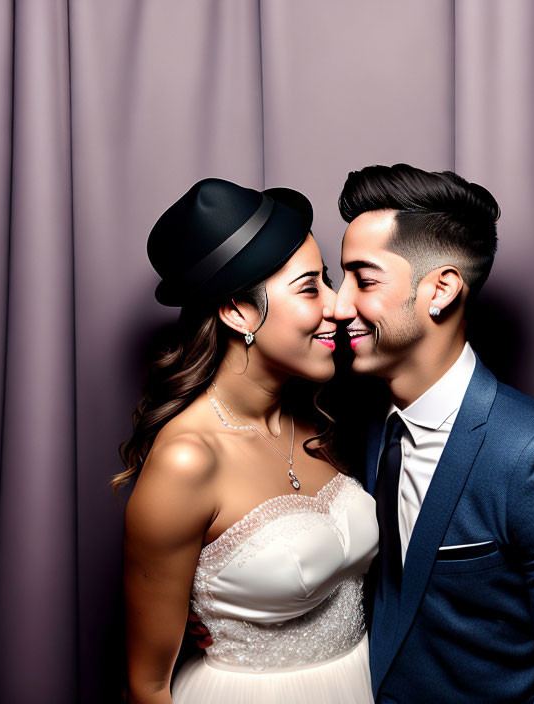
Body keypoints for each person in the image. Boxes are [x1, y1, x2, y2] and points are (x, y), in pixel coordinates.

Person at [334, 164, 534, 703]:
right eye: (339, 277)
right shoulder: (367, 427)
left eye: (364, 279)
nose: (336, 305)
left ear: (441, 289)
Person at [115, 178, 378, 704]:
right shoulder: (189, 459)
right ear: (238, 311)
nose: (338, 306)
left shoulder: (323, 419)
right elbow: (147, 686)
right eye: (310, 288)